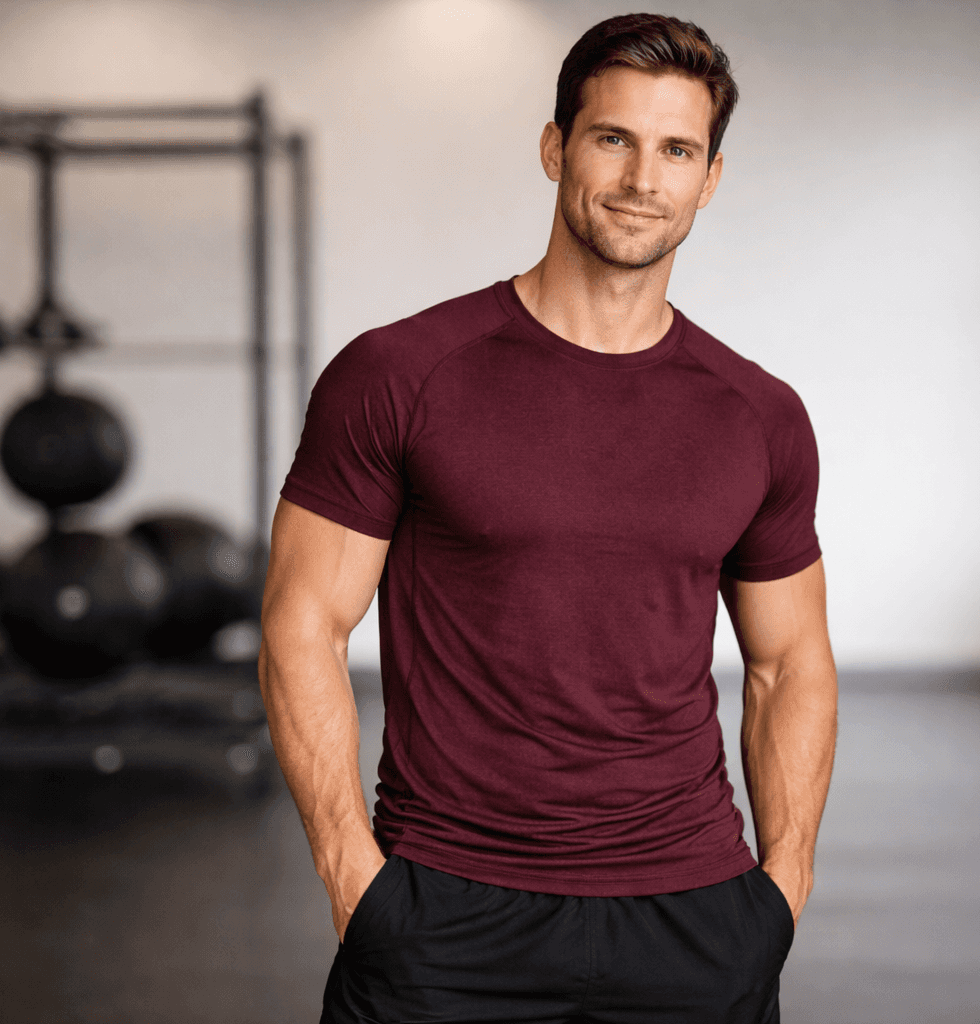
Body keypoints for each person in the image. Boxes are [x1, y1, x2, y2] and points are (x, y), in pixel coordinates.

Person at [259, 12, 838, 1023]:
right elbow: (301, 620)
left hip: (693, 913)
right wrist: (355, 876)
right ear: (555, 145)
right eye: (613, 137)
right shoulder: (400, 373)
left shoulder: (759, 414)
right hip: (445, 908)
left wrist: (780, 892)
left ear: (709, 178)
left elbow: (790, 663)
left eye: (677, 150)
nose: (641, 178)